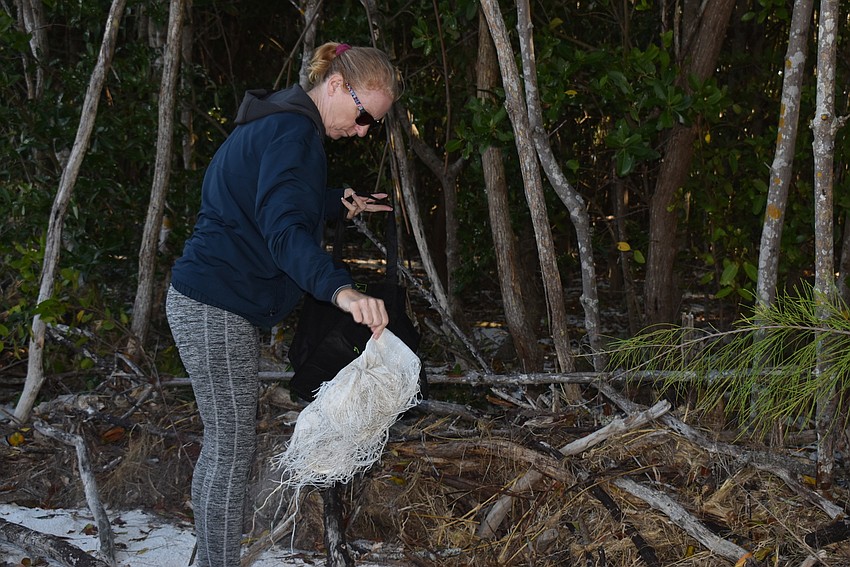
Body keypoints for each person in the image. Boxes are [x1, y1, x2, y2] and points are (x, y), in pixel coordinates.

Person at [165, 42, 399, 567]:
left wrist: (331, 199)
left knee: (227, 445)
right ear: (337, 85)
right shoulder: (295, 133)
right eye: (364, 116)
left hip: (211, 300)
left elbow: (267, 197)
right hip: (214, 302)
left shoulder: (277, 121)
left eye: (372, 126)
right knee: (230, 450)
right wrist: (342, 289)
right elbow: (284, 231)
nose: (363, 131)